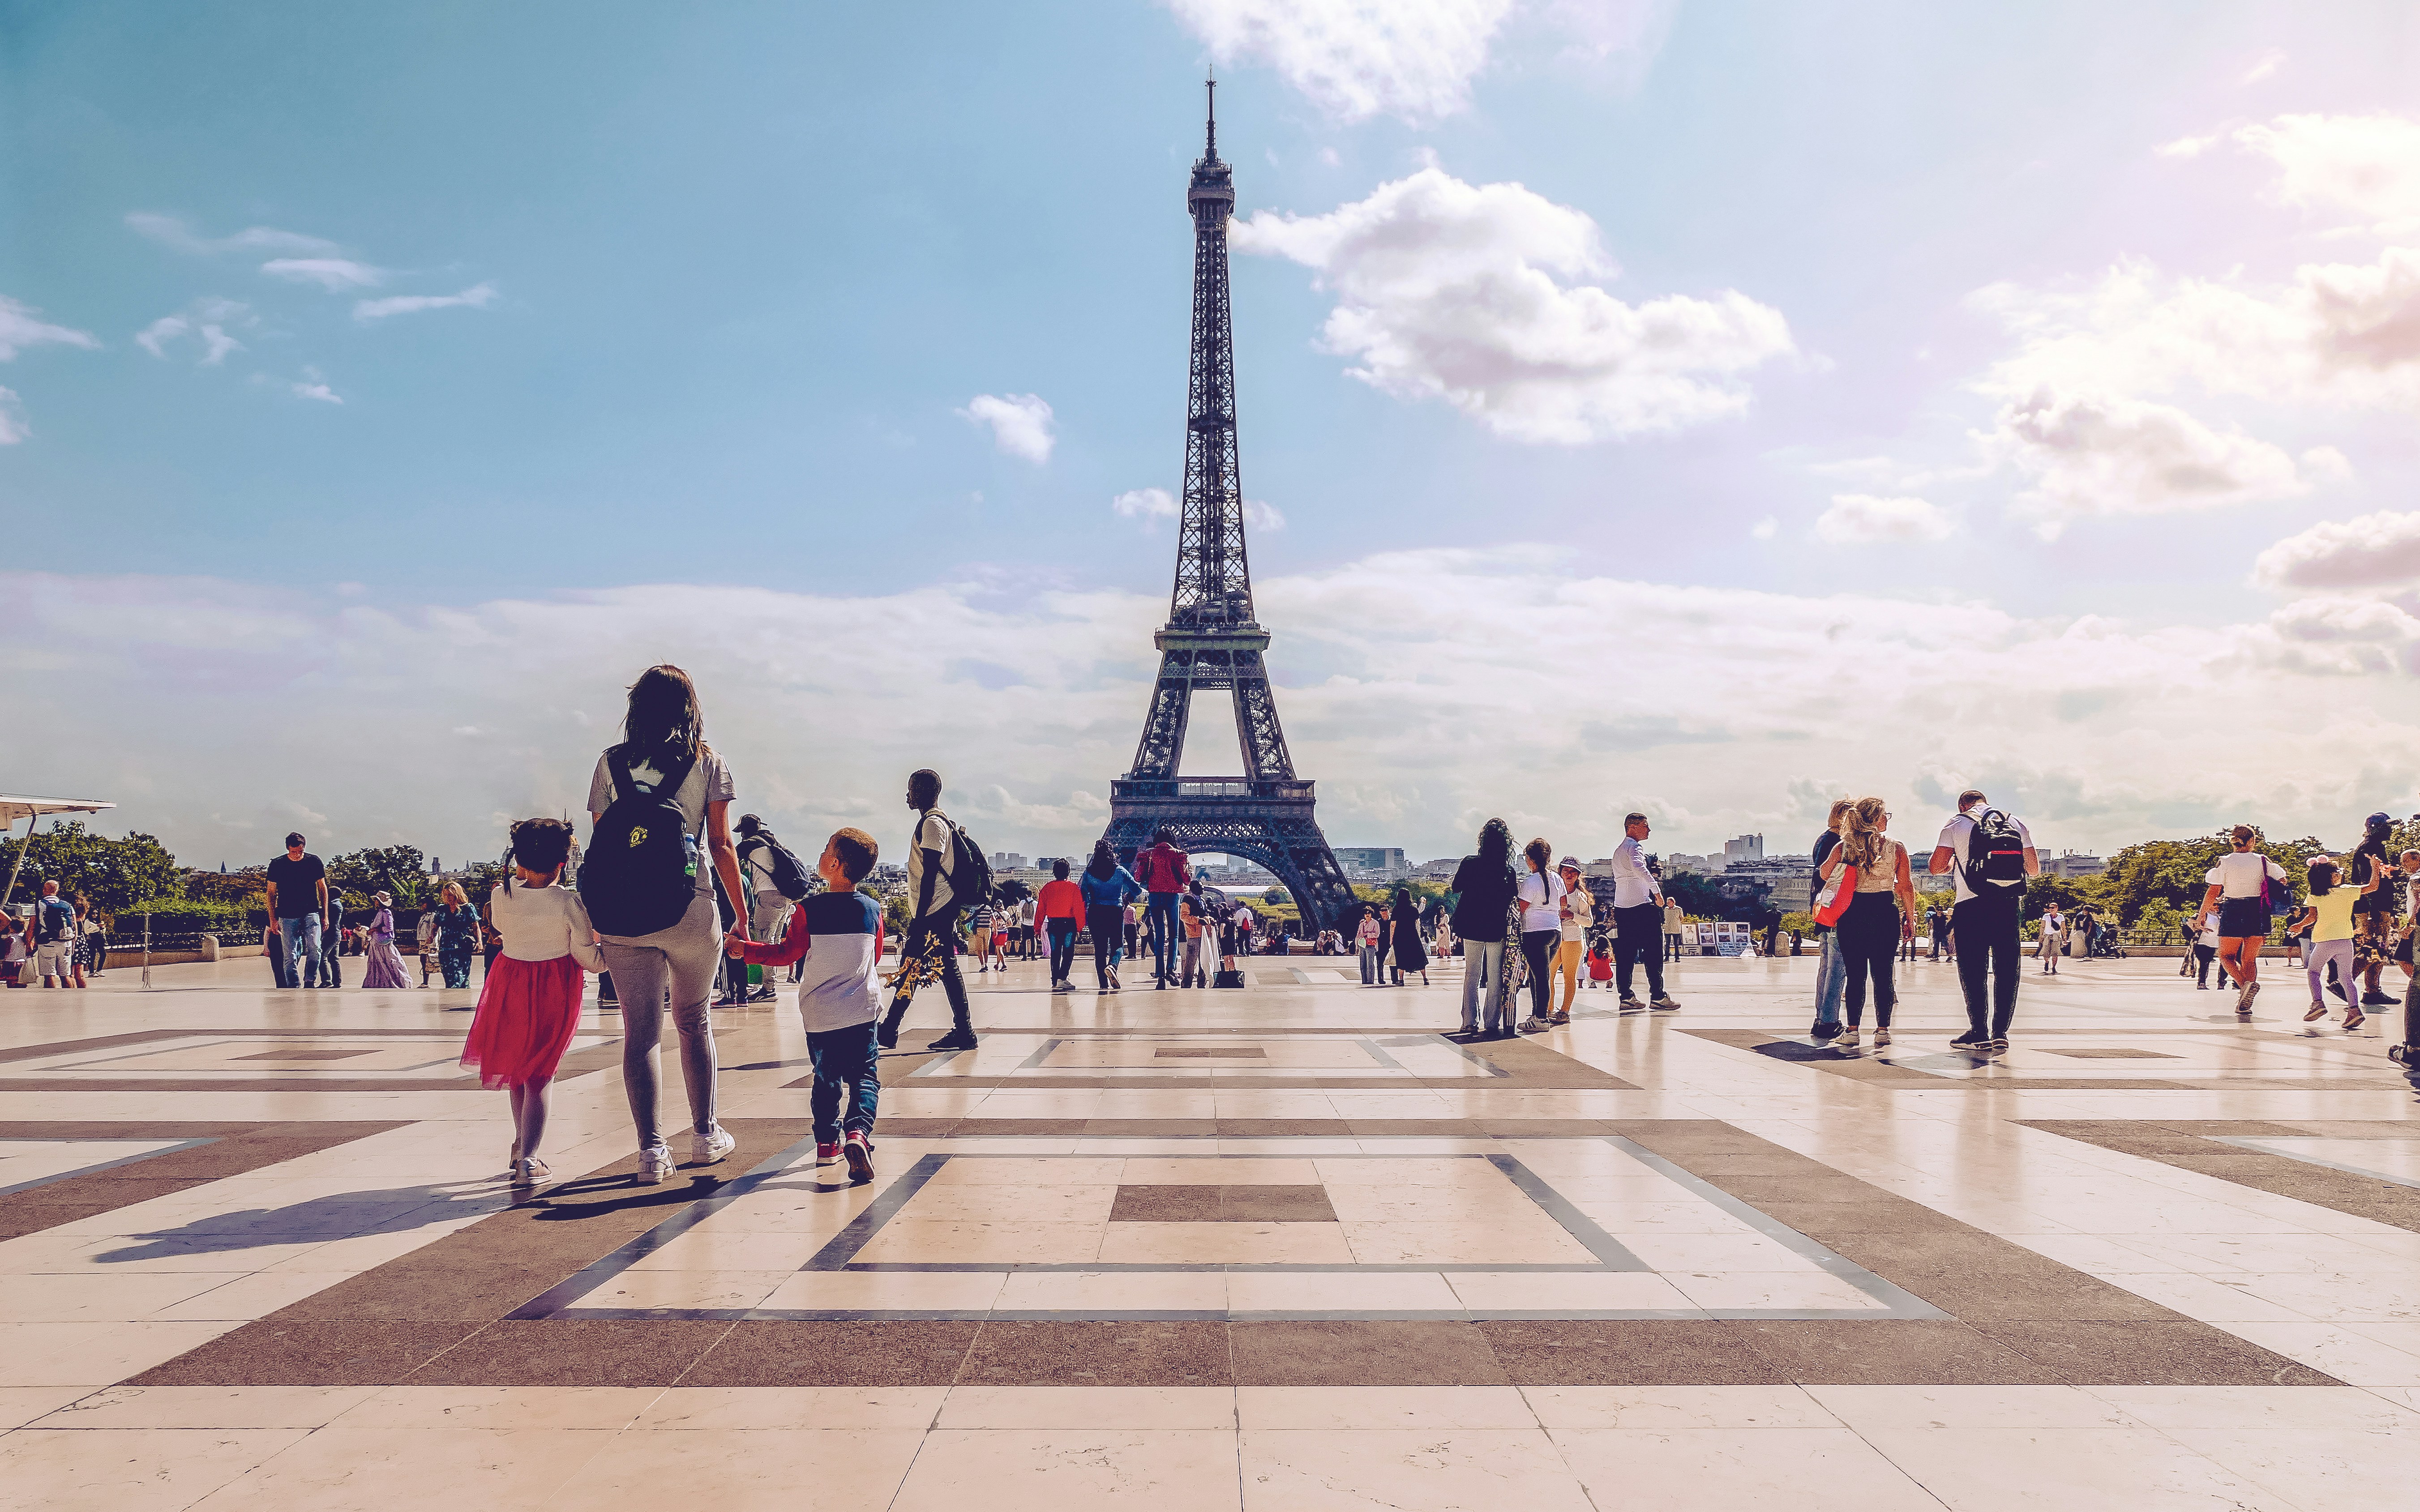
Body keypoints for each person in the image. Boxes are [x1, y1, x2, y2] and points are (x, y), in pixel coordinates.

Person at [587, 664, 746, 1181]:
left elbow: (604, 846)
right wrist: (741, 916)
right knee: (693, 1021)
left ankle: (652, 1151)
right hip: (689, 907)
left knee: (641, 1032)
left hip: (623, 915)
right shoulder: (709, 762)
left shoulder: (609, 763)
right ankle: (705, 1135)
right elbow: (721, 844)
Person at [726, 828, 887, 1182]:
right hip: (861, 1009)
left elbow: (787, 954)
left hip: (821, 1015)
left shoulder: (807, 910)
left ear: (833, 864)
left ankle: (827, 1144)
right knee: (864, 1077)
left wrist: (745, 950)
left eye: (825, 848)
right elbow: (874, 955)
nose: (820, 853)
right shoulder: (873, 910)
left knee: (826, 1079)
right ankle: (858, 1133)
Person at [460, 820, 607, 1186]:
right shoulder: (569, 903)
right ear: (563, 861)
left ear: (519, 859)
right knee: (542, 1072)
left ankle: (520, 1145)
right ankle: (530, 1159)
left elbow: (508, 931)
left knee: (517, 1069)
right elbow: (589, 959)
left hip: (509, 980)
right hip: (554, 985)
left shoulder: (501, 895)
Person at [1929, 790, 2039, 1051]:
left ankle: (1979, 1031)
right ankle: (2001, 1032)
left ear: (1963, 805)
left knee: (1973, 968)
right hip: (2009, 903)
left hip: (1971, 903)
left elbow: (1935, 866)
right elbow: (2033, 869)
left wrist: (1956, 860)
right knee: (2008, 967)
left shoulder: (1957, 823)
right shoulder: (2015, 823)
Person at [877, 769, 977, 1052]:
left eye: (911, 789)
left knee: (937, 965)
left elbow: (930, 875)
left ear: (922, 792)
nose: (908, 795)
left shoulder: (933, 825)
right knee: (917, 965)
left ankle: (964, 1031)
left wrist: (919, 920)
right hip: (939, 909)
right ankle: (890, 1028)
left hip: (936, 910)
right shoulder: (937, 823)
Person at [1820, 798, 1915, 1045]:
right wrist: (1910, 917)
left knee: (1855, 975)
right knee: (1883, 974)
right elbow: (1906, 886)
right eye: (1886, 815)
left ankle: (1852, 1030)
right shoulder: (1897, 848)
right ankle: (1883, 1030)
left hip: (1853, 913)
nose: (1887, 819)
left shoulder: (1845, 846)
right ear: (1875, 818)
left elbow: (1824, 873)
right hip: (1885, 912)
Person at [2191, 825, 2291, 1019]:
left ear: (2233, 841)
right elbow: (2282, 879)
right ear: (2253, 841)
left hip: (2233, 909)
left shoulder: (2225, 862)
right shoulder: (2263, 860)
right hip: (2258, 910)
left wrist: (2202, 915)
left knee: (2226, 956)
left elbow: (2213, 891)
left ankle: (2245, 986)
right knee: (2249, 959)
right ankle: (2246, 1001)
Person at [1449, 819, 1521, 1038]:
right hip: (1496, 928)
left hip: (1471, 926)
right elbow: (1513, 898)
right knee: (1495, 976)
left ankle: (1470, 1021)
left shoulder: (1470, 863)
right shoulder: (1507, 870)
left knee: (1472, 974)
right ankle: (1492, 1022)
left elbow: (1455, 887)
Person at [2291, 855, 2375, 1030]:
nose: (2341, 874)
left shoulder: (2314, 895)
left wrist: (2299, 926)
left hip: (2325, 941)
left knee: (2314, 972)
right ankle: (2354, 1010)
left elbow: (2312, 918)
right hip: (2345, 941)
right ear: (2333, 876)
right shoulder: (2347, 891)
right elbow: (2373, 886)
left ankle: (2318, 1004)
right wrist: (2375, 867)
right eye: (2338, 871)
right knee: (2346, 978)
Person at [1608, 813, 1679, 1012]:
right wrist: (1657, 892)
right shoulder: (1634, 847)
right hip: (1641, 907)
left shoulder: (1618, 851)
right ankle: (1658, 995)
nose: (1649, 830)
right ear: (1633, 827)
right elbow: (1640, 868)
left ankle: (1626, 996)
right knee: (1654, 952)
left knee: (1626, 954)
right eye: (1645, 826)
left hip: (1623, 907)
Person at [734, 815, 795, 1004]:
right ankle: (770, 987)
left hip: (768, 896)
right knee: (774, 942)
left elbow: (728, 858)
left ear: (744, 831)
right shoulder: (771, 841)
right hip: (784, 896)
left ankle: (768, 990)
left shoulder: (750, 843)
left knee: (764, 941)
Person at [2347, 813, 2401, 1008]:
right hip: (2372, 908)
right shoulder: (2370, 848)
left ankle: (2373, 992)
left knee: (2380, 950)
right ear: (2375, 828)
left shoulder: (2376, 846)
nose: (2390, 829)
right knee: (2373, 948)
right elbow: (2366, 882)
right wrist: (2372, 910)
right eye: (2386, 826)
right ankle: (2343, 983)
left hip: (2378, 907)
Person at [1513, 837, 1566, 1033]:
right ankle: (1537, 1015)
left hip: (1535, 932)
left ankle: (1541, 1018)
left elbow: (1522, 908)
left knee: (1540, 976)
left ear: (1530, 860)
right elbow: (1563, 904)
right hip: (1555, 931)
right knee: (1539, 975)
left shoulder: (1530, 882)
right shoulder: (1557, 879)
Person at [265, 832, 330, 989]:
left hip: (311, 912)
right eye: (294, 852)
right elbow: (271, 893)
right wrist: (273, 919)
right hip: (287, 915)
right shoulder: (277, 864)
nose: (297, 855)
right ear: (288, 849)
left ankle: (310, 980)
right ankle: (294, 985)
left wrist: (325, 915)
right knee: (290, 955)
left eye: (300, 852)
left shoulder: (313, 861)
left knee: (316, 948)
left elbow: (322, 888)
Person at [1078, 839, 1140, 992]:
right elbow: (1137, 889)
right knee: (1118, 945)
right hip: (1115, 911)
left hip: (1096, 911)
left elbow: (1083, 894)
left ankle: (1103, 985)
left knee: (1100, 949)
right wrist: (1127, 898)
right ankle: (1113, 966)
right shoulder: (1120, 871)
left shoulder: (1088, 873)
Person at [1134, 829, 1192, 988]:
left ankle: (1160, 974)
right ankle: (1171, 970)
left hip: (1154, 895)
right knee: (1174, 935)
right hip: (1172, 896)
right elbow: (1186, 879)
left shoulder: (1149, 854)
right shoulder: (1178, 855)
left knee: (1159, 935)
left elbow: (1138, 877)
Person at [1550, 859, 1591, 1023]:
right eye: (1566, 871)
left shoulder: (1580, 897)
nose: (1569, 875)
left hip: (1573, 940)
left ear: (1578, 876)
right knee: (1549, 975)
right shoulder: (1553, 892)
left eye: (1573, 872)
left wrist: (1572, 916)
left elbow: (1589, 921)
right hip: (1555, 938)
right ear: (1560, 873)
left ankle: (1565, 1011)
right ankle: (1548, 1008)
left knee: (1569, 976)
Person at [25, 881, 81, 988]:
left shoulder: (38, 905)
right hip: (66, 943)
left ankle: (50, 1000)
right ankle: (68, 999)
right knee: (65, 975)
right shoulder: (68, 905)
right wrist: (73, 943)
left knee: (49, 975)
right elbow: (75, 926)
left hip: (47, 943)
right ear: (57, 891)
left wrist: (29, 944)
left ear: (44, 890)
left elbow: (32, 927)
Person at [1037, 859, 1083, 991]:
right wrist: (1080, 927)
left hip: (1053, 924)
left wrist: (1037, 927)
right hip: (1069, 925)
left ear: (1054, 872)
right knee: (1068, 953)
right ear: (1068, 872)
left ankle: (1055, 980)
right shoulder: (1073, 888)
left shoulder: (1047, 888)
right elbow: (1079, 909)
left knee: (1055, 953)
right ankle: (1063, 977)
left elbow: (1041, 910)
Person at [432, 881, 481, 988]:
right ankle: (452, 1000)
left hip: (462, 947)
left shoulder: (468, 908)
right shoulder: (442, 909)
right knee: (449, 977)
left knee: (461, 976)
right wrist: (431, 937)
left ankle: (461, 1000)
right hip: (445, 949)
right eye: (445, 895)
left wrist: (479, 942)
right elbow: (435, 927)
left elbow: (475, 927)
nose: (448, 897)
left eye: (450, 894)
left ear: (457, 894)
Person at [359, 891, 412, 987]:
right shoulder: (380, 913)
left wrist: (375, 929)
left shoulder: (387, 913)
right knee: (378, 963)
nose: (375, 902)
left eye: (376, 901)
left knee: (389, 962)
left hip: (383, 943)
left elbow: (389, 928)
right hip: (377, 943)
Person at [1392, 886, 1430, 988]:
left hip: (1400, 936)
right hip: (1412, 936)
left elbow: (1393, 925)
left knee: (1401, 958)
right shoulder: (1413, 909)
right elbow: (1417, 922)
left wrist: (1391, 939)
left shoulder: (1396, 909)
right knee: (1419, 957)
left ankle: (1401, 979)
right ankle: (1425, 978)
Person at [1179, 885, 1209, 987]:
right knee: (1191, 961)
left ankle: (1202, 983)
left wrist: (1210, 921)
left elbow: (1205, 915)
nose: (1203, 889)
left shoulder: (1202, 900)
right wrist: (1198, 921)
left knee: (1204, 959)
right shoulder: (1187, 900)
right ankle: (1186, 983)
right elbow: (1184, 916)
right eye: (1200, 887)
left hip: (1204, 933)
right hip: (1194, 934)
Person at [2191, 911, 2221, 989]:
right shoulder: (2205, 914)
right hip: (2202, 943)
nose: (2217, 907)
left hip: (2214, 944)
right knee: (2204, 963)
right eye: (2215, 904)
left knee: (2206, 963)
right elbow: (2188, 920)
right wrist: (2202, 928)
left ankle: (2203, 982)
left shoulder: (2220, 915)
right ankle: (2201, 982)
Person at [1356, 904, 1383, 986]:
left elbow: (1377, 934)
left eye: (1369, 913)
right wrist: (1357, 946)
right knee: (1362, 963)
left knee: (1370, 963)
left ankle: (1370, 980)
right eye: (1366, 914)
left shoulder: (1375, 923)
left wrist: (1368, 935)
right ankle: (1364, 980)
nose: (1367, 915)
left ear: (1372, 914)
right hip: (1362, 945)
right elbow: (1358, 935)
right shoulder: (1362, 924)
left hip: (1370, 945)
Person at [417, 905, 443, 986]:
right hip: (423, 942)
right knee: (424, 961)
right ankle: (425, 982)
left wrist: (434, 942)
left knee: (436, 961)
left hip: (431, 942)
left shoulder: (434, 916)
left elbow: (436, 930)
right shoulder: (424, 917)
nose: (422, 905)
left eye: (424, 903)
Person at [2035, 903, 2064, 976]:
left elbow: (2063, 928)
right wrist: (2041, 936)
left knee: (2055, 953)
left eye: (2053, 908)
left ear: (2057, 908)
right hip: (2047, 935)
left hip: (2056, 936)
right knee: (2046, 952)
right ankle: (2047, 962)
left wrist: (2065, 937)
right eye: (2050, 908)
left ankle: (2054, 967)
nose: (2051, 909)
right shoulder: (2046, 916)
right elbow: (2042, 927)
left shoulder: (2061, 917)